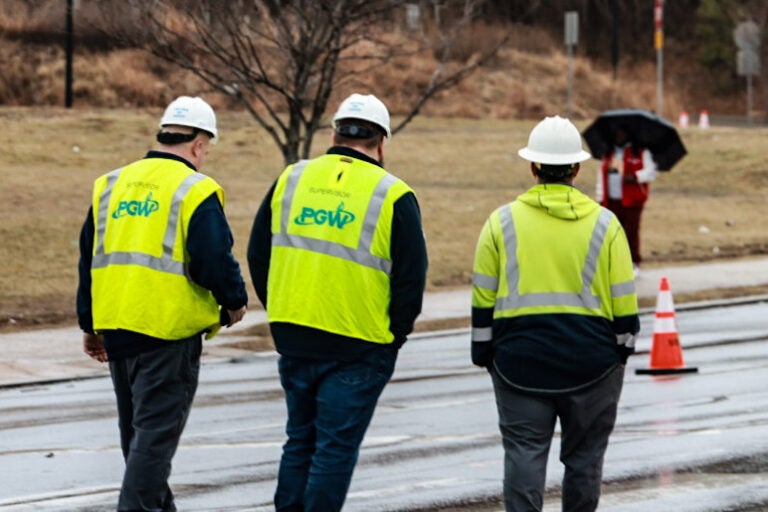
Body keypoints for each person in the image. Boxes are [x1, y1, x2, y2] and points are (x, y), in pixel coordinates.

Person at [247, 92, 428, 511]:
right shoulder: (394, 194)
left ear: (334, 133)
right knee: (334, 449)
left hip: (294, 333)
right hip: (358, 344)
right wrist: (394, 337)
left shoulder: (291, 178)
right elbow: (410, 280)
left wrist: (281, 309)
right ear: (381, 142)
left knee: (299, 442)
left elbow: (259, 254)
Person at [76, 95, 248, 511]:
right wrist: (234, 302)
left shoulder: (110, 184)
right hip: (167, 331)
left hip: (118, 326)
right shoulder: (195, 188)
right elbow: (212, 257)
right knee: (153, 439)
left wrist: (90, 324)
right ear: (199, 144)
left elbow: (89, 257)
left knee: (137, 437)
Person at [471, 116, 640, 512]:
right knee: (584, 460)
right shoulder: (606, 224)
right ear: (577, 169)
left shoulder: (501, 222)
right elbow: (624, 300)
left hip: (519, 364)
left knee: (524, 455)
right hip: (592, 364)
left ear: (533, 167)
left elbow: (482, 295)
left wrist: (484, 353)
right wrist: (621, 351)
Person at [595, 126, 658, 275]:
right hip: (610, 199)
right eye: (617, 132)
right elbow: (600, 176)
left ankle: (633, 262)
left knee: (631, 231)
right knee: (610, 233)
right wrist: (599, 197)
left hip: (632, 200)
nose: (619, 135)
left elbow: (651, 172)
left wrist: (635, 176)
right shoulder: (609, 153)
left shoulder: (640, 152)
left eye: (622, 132)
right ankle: (612, 262)